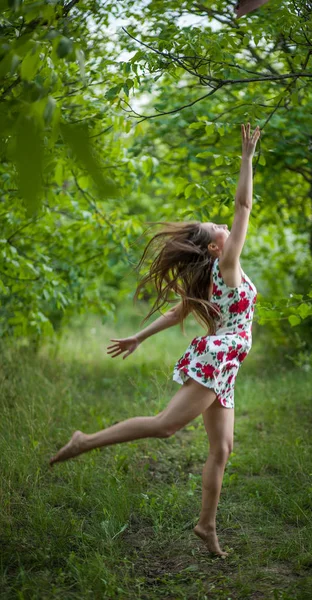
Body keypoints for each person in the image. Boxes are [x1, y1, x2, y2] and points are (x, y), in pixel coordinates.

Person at [49, 123, 261, 558]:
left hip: (226, 363)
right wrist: (246, 157)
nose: (224, 225)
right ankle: (84, 441)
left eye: (219, 223)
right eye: (216, 229)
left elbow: (178, 310)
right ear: (216, 251)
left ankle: (206, 527)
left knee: (222, 448)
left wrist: (139, 337)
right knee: (165, 426)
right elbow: (242, 205)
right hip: (219, 358)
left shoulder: (213, 275)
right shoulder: (228, 266)